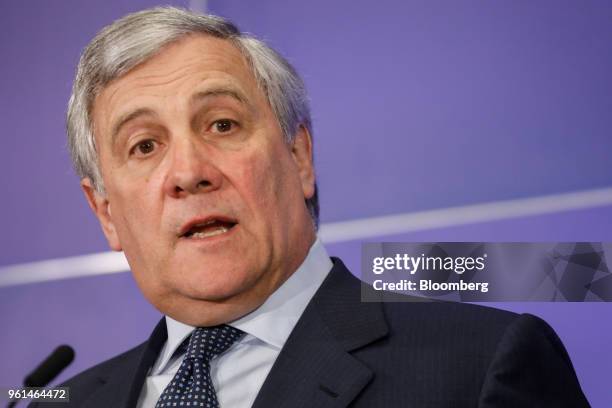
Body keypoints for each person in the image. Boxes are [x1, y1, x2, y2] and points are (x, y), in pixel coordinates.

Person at [32, 6, 590, 408]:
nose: (188, 172)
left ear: (299, 156)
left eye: (222, 124)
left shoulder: (479, 364)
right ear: (105, 212)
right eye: (145, 146)